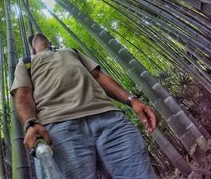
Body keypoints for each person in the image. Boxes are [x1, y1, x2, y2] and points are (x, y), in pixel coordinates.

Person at [10, 33, 158, 179]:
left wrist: (132, 100)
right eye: (32, 41)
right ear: (32, 50)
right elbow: (23, 95)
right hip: (58, 129)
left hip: (109, 118)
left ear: (50, 42)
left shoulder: (71, 51)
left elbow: (99, 76)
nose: (37, 36)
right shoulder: (27, 62)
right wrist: (30, 124)